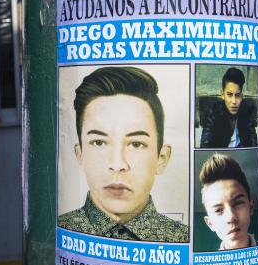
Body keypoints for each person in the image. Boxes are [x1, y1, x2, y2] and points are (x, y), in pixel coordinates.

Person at [57, 66, 188, 243]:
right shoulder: (59, 230)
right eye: (99, 142)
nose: (117, 164)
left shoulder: (184, 239)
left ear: (162, 158)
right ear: (80, 154)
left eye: (136, 144)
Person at [198, 153, 258, 251]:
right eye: (218, 210)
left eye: (237, 203)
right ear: (210, 223)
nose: (231, 217)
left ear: (250, 207)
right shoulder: (209, 264)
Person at [200, 66, 258, 149]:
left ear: (241, 96)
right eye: (229, 95)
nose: (234, 101)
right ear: (222, 95)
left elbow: (253, 147)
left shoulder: (246, 111)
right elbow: (204, 148)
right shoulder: (213, 113)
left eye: (237, 95)